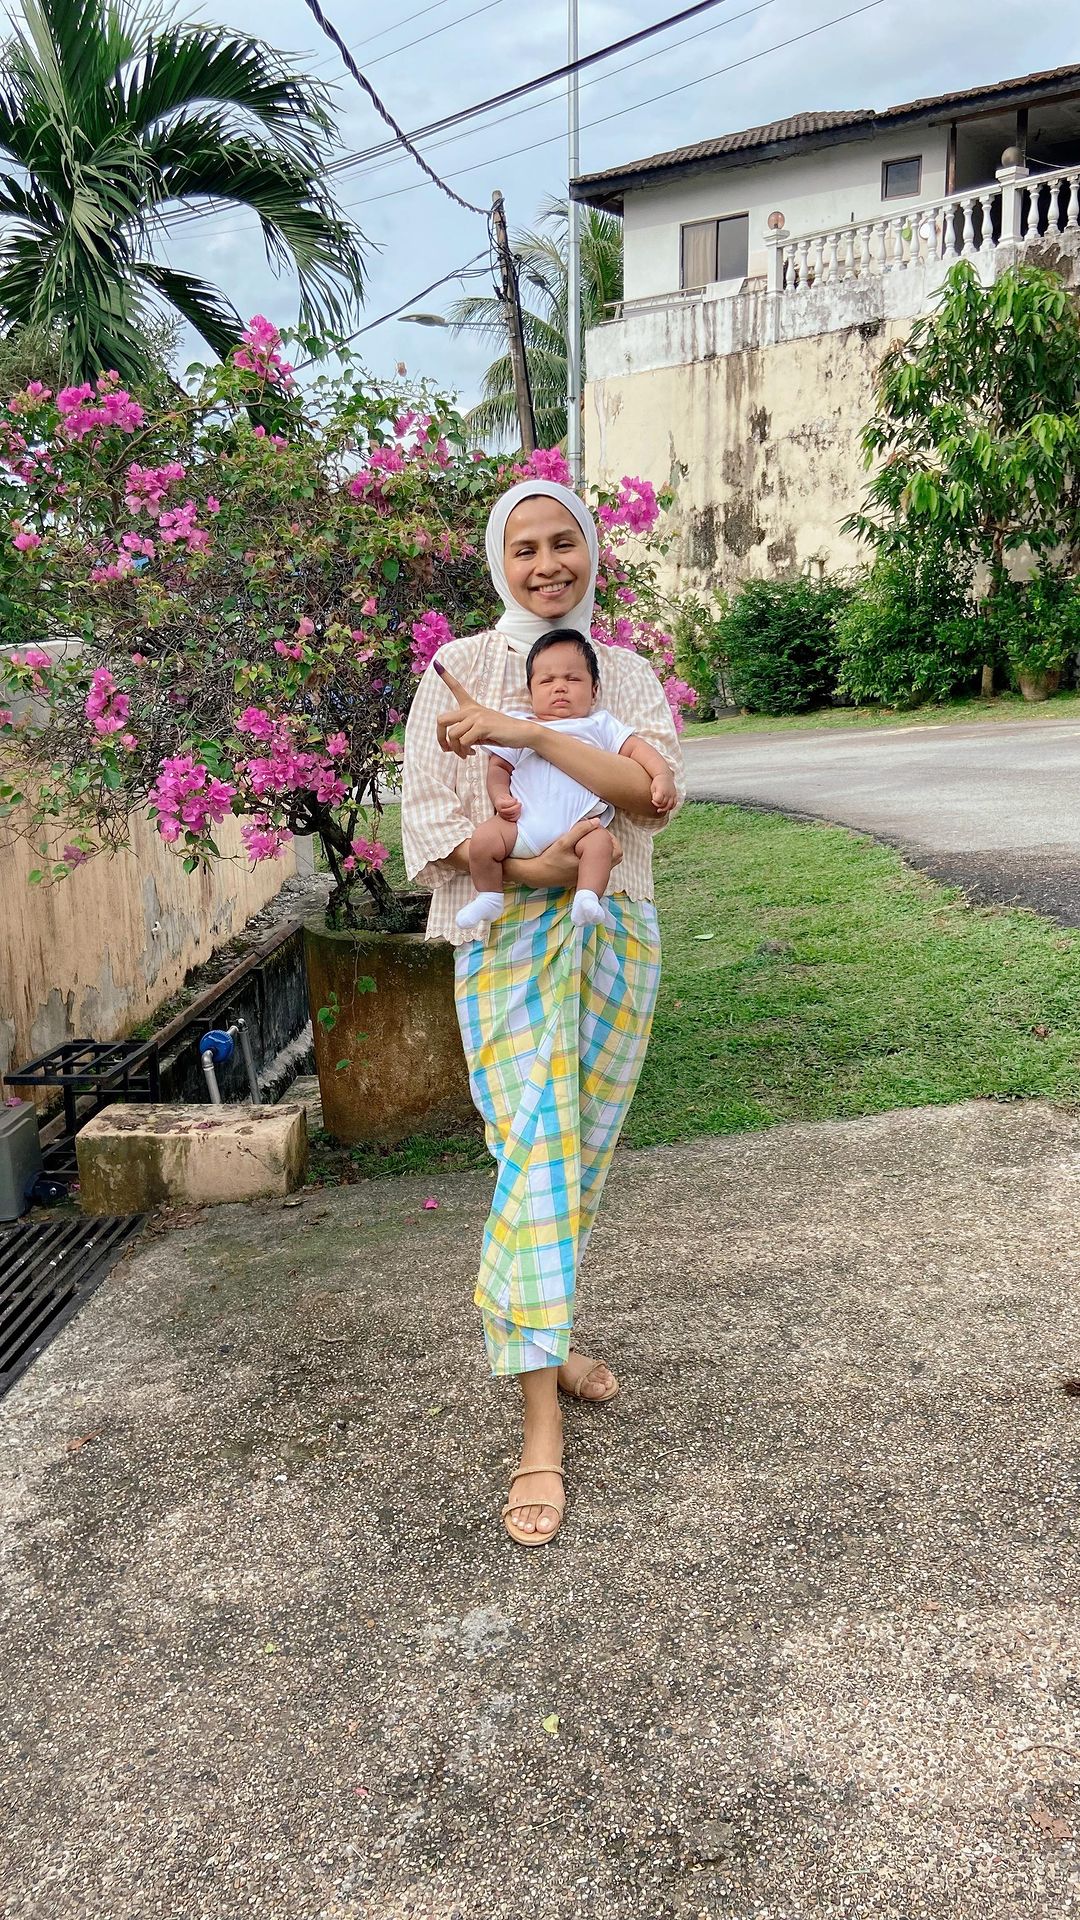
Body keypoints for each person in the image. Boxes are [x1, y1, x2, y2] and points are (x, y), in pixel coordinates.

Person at [401, 478, 684, 1547]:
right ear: (498, 560)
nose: (546, 564)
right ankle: (538, 1425)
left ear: (592, 551)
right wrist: (532, 868)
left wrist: (527, 731)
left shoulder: (628, 673)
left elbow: (650, 796)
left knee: (579, 1156)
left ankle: (545, 1337)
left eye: (564, 542)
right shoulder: (455, 667)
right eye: (524, 548)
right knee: (533, 1158)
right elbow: (430, 823)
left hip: (613, 936)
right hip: (503, 941)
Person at [452, 629, 678, 935]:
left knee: (600, 845)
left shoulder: (600, 725)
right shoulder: (519, 725)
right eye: (547, 681)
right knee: (482, 841)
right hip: (521, 824)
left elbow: (639, 750)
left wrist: (662, 775)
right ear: (530, 692)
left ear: (594, 690)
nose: (560, 687)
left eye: (573, 679)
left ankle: (587, 896)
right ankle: (490, 896)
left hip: (579, 828)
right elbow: (499, 767)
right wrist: (500, 796)